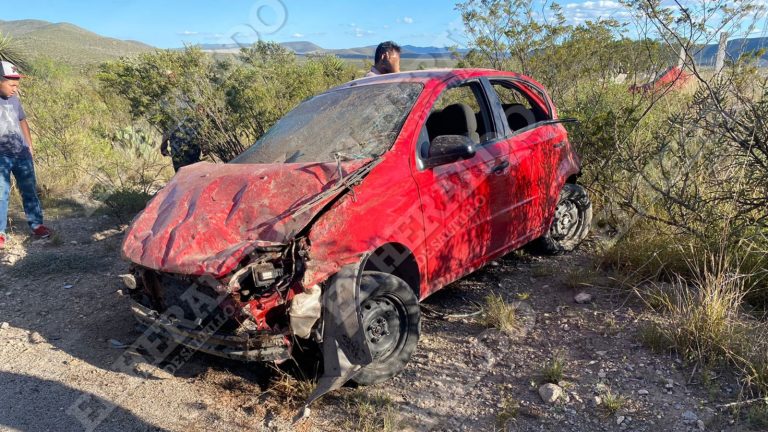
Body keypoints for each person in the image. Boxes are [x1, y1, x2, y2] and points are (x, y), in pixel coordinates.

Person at [0, 61, 50, 250]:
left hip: (21, 154)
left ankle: (37, 225)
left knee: (29, 191)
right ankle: (1, 233)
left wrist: (29, 145)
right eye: (11, 85)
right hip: (1, 157)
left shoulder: (14, 99)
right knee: (1, 194)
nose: (15, 89)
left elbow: (22, 121)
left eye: (17, 85)